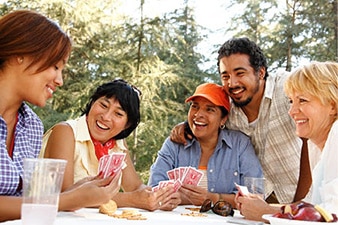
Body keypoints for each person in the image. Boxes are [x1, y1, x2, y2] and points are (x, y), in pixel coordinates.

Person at [0, 10, 121, 222]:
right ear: (20, 54)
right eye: (56, 66)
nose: (60, 80)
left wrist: (74, 193)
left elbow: (24, 203)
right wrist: (64, 201)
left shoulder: (31, 126)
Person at [170, 37, 311, 204]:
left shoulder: (286, 89)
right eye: (225, 76)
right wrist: (187, 126)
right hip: (259, 201)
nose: (232, 83)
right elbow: (208, 119)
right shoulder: (227, 108)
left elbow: (311, 138)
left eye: (240, 73)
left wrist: (299, 205)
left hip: (301, 196)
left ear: (260, 72)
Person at [40, 79, 180, 211]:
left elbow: (135, 186)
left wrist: (159, 196)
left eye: (118, 114)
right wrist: (132, 200)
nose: (106, 117)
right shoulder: (65, 131)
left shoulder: (117, 143)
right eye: (103, 105)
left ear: (127, 125)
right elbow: (66, 196)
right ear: (92, 102)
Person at [236, 61, 338, 220]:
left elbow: (331, 216)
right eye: (291, 101)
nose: (291, 111)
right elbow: (314, 207)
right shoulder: (315, 145)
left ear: (332, 105)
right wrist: (265, 208)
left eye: (302, 100)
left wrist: (266, 213)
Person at [148, 83, 263, 208]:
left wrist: (212, 198)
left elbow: (254, 198)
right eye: (195, 106)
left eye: (209, 109)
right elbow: (154, 188)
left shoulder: (240, 144)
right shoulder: (174, 144)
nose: (198, 114)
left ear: (223, 119)